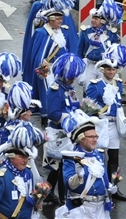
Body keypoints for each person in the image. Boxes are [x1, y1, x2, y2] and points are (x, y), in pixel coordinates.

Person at [84, 45, 126, 201]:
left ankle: (113, 188)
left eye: (114, 69)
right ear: (102, 69)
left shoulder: (117, 84)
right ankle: (98, 187)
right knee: (98, 158)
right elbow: (87, 109)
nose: (111, 72)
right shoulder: (95, 85)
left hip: (114, 126)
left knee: (114, 159)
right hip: (100, 125)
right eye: (108, 69)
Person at [42, 53, 86, 206]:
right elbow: (53, 113)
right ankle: (62, 198)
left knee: (57, 168)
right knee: (61, 167)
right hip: (59, 134)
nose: (73, 79)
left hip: (68, 133)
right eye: (70, 77)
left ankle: (47, 194)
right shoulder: (55, 90)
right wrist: (69, 118)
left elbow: (74, 105)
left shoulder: (69, 87)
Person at [0, 122, 43, 219]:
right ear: (11, 157)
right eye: (21, 157)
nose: (25, 161)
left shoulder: (28, 172)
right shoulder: (1, 177)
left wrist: (37, 203)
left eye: (27, 158)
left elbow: (29, 197)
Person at [60, 110, 113, 219]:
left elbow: (104, 178)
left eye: (96, 136)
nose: (95, 139)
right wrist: (79, 176)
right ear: (81, 139)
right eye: (91, 137)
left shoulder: (99, 154)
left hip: (101, 207)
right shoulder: (71, 157)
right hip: (81, 208)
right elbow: (69, 184)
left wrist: (110, 188)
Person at [77, 0, 122, 85]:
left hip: (104, 67)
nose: (93, 20)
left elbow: (114, 53)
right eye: (93, 18)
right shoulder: (85, 32)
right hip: (90, 65)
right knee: (89, 89)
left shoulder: (111, 33)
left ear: (103, 21)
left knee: (104, 89)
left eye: (96, 19)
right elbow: (79, 50)